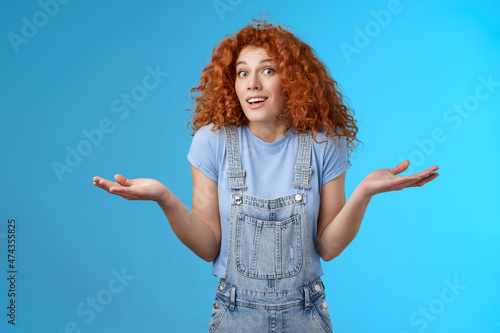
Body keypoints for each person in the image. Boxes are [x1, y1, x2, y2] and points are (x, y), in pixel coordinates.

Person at [93, 19, 439, 333]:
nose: (252, 84)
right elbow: (209, 245)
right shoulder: (211, 141)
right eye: (242, 73)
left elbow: (328, 248)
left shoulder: (324, 141)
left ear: (293, 79)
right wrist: (164, 198)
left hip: (307, 314)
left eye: (268, 70)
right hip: (235, 314)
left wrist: (364, 193)